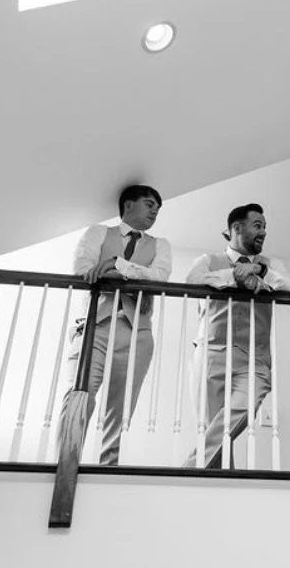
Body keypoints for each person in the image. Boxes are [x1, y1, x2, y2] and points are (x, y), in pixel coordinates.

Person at [62, 184, 172, 465]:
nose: (155, 212)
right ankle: (66, 462)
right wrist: (135, 276)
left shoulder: (161, 244)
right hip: (95, 326)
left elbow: (159, 277)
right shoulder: (98, 232)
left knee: (121, 408)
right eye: (150, 205)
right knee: (80, 395)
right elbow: (83, 270)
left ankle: (107, 466)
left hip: (137, 332)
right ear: (128, 205)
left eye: (158, 208)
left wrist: (115, 265)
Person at [185, 203, 290, 468]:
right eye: (258, 225)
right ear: (237, 228)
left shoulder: (271, 264)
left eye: (265, 227)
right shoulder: (208, 260)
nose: (264, 232)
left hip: (255, 358)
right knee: (215, 430)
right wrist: (235, 276)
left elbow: (288, 287)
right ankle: (220, 488)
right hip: (212, 353)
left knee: (240, 410)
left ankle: (189, 467)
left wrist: (258, 271)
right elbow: (191, 281)